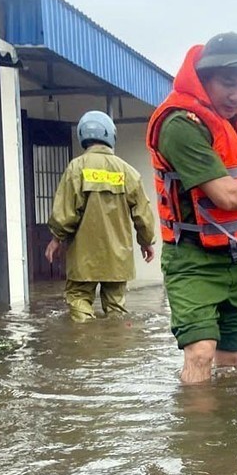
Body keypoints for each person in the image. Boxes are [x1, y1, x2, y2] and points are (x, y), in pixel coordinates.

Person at [145, 32, 237, 385]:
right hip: (193, 257)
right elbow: (225, 195)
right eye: (228, 83)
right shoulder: (180, 124)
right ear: (204, 77)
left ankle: (227, 435)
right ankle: (197, 438)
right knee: (200, 352)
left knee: (232, 358)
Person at [45, 110, 156, 323]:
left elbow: (65, 212)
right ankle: (115, 347)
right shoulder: (128, 172)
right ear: (110, 135)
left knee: (78, 299)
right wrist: (146, 241)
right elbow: (143, 214)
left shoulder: (76, 169)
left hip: (83, 255)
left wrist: (56, 239)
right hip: (118, 256)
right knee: (116, 308)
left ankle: (87, 347)